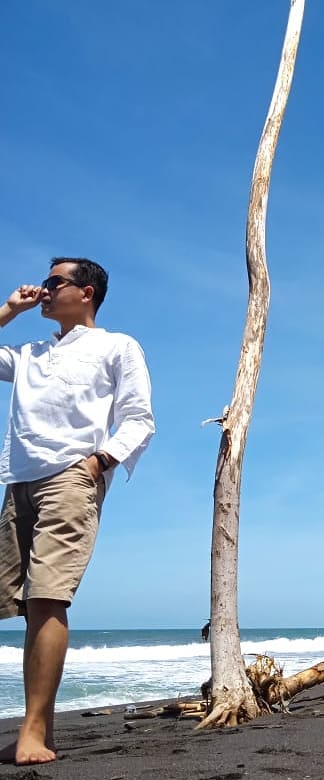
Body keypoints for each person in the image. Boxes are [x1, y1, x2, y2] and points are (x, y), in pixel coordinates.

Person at [0, 257, 155, 765]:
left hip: (71, 476)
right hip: (18, 480)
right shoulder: (28, 353)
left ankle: (32, 733)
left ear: (86, 292)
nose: (43, 291)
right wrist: (8, 310)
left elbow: (139, 417)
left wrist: (98, 461)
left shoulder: (117, 346)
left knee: (48, 597)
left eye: (53, 283)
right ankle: (37, 728)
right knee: (24, 606)